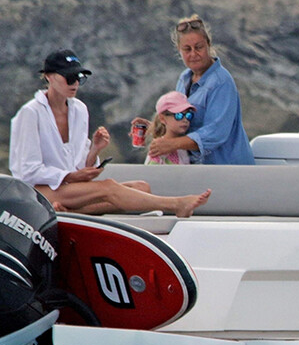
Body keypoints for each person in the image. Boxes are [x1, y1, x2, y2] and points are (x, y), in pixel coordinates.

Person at [10, 49, 211, 217]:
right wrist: (71, 176)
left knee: (142, 187)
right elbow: (26, 171)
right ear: (49, 76)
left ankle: (73, 212)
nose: (75, 83)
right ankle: (176, 204)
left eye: (79, 78)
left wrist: (94, 151)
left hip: (69, 188)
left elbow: (78, 165)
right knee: (108, 187)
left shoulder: (79, 109)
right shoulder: (30, 113)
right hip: (38, 192)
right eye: (69, 77)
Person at [132, 14, 255, 165]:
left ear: (208, 45)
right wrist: (156, 126)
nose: (193, 54)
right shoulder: (184, 78)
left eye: (198, 47)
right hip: (198, 170)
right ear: (179, 50)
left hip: (228, 168)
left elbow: (215, 133)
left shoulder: (221, 82)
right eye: (187, 49)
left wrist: (172, 144)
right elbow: (179, 119)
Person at [145, 91, 195, 165]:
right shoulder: (159, 148)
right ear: (162, 119)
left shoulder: (184, 147)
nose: (185, 120)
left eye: (188, 115)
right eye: (178, 115)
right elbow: (151, 171)